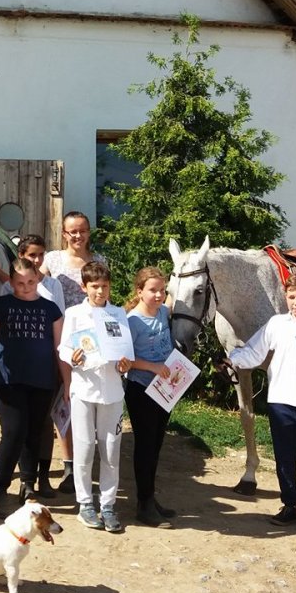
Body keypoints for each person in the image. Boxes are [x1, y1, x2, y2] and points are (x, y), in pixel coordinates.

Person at [228, 272, 296, 538]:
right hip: (281, 403)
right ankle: (290, 504)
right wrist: (232, 359)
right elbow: (253, 352)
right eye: (291, 297)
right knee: (285, 458)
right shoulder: (276, 324)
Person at [0, 257, 63, 518]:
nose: (26, 287)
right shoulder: (2, 305)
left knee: (33, 432)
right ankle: (1, 489)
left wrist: (67, 378)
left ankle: (28, 486)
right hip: (9, 380)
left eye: (30, 281)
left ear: (37, 279)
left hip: (42, 380)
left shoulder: (51, 309)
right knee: (14, 431)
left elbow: (59, 347)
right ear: (11, 282)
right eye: (20, 283)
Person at [58, 260, 131, 533]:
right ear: (84, 287)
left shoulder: (118, 313)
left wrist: (125, 365)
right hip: (84, 390)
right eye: (95, 287)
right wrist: (72, 357)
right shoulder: (74, 313)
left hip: (112, 391)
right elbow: (64, 348)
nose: (100, 292)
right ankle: (85, 503)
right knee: (85, 448)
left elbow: (126, 353)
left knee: (111, 451)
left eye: (105, 286)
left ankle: (108, 505)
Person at [42, 211, 105, 492]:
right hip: (58, 339)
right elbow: (29, 282)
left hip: (90, 344)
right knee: (62, 401)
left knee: (87, 400)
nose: (77, 236)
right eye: (72, 231)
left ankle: (87, 460)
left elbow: (105, 301)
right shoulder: (52, 260)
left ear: (89, 232)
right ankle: (69, 465)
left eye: (82, 230)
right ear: (64, 234)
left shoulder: (99, 261)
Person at [0, 234, 64, 498]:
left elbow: (59, 320)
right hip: (17, 365)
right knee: (19, 424)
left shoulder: (53, 285)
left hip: (46, 362)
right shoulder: (8, 288)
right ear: (21, 256)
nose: (37, 260)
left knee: (43, 422)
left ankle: (44, 477)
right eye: (31, 255)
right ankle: (25, 480)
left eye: (40, 255)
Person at [123, 266, 179, 528]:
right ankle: (144, 505)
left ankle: (149, 498)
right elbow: (126, 360)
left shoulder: (165, 312)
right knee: (145, 446)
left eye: (162, 290)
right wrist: (153, 366)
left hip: (166, 389)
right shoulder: (132, 321)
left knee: (156, 445)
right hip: (141, 389)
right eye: (152, 290)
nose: (158, 295)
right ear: (140, 291)